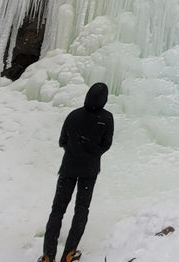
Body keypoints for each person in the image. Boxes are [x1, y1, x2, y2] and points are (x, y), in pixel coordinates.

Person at [40, 82, 114, 262]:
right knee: (81, 209)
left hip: (68, 168)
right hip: (89, 171)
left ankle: (48, 255)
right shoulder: (106, 118)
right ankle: (69, 254)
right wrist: (92, 152)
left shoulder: (74, 115)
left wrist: (75, 149)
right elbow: (106, 144)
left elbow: (62, 141)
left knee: (57, 210)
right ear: (104, 100)